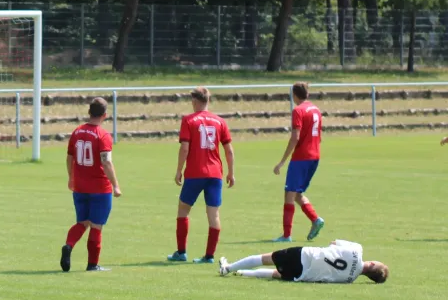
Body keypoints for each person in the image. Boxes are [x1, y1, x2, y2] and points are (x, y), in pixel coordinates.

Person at [167, 87, 235, 264]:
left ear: (195, 101)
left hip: (195, 173)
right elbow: (229, 150)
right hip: (215, 174)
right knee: (213, 215)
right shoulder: (220, 121)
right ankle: (209, 256)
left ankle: (181, 252)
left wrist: (178, 170)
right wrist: (231, 173)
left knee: (183, 210)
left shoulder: (189, 120)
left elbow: (184, 148)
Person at [60, 97, 122, 272]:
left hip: (79, 186)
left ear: (89, 112)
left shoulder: (77, 132)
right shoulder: (103, 136)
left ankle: (69, 245)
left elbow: (69, 157)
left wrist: (71, 177)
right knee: (96, 225)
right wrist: (116, 185)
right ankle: (92, 265)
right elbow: (106, 162)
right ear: (105, 115)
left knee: (82, 222)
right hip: (99, 188)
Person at [273, 82, 324, 242]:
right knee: (296, 193)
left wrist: (282, 162)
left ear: (294, 95)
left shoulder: (298, 110)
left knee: (289, 194)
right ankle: (316, 220)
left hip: (302, 157)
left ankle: (286, 235)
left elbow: (295, 136)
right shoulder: (316, 110)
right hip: (315, 156)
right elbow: (319, 136)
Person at [218, 239, 389, 284]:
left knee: (265, 258)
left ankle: (228, 267)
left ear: (373, 264)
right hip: (303, 275)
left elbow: (333, 243)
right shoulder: (350, 280)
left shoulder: (357, 249)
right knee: (275, 274)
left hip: (305, 255)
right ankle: (240, 272)